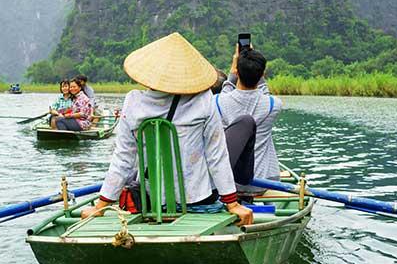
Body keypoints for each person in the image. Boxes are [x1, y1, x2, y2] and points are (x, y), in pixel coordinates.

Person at [81, 32, 253, 226]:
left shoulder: (133, 102)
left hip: (151, 201)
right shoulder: (204, 100)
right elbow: (216, 154)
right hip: (198, 200)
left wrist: (100, 206)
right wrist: (232, 204)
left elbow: (123, 158)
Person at [215, 45, 282, 200]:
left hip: (230, 184)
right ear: (262, 74)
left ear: (237, 71)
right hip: (263, 184)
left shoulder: (217, 102)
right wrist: (257, 70)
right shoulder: (274, 105)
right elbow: (264, 93)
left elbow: (226, 91)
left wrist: (233, 71)